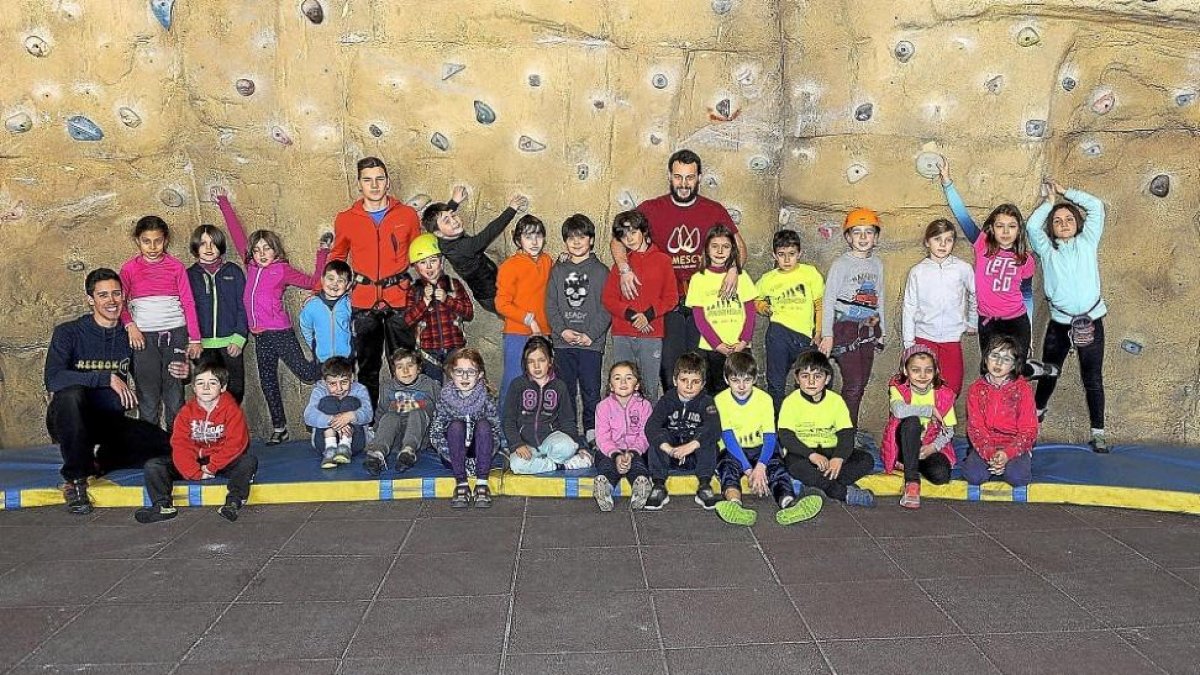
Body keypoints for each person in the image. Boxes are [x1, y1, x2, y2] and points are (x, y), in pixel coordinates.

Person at [611, 149, 747, 390]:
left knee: (702, 363)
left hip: (703, 302)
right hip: (668, 302)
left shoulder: (713, 210)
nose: (684, 184)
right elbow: (617, 238)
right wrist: (624, 269)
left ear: (699, 178)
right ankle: (673, 416)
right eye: (678, 177)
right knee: (669, 365)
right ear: (669, 176)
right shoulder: (651, 209)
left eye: (690, 177)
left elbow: (739, 246)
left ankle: (701, 419)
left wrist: (734, 268)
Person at [45, 269, 174, 514]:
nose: (111, 300)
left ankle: (100, 460)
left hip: (108, 422)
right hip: (70, 419)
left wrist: (178, 369)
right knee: (71, 395)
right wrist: (105, 378)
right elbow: (53, 378)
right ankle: (75, 480)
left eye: (116, 294)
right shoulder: (68, 332)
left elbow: (148, 377)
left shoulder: (130, 336)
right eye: (103, 295)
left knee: (165, 445)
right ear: (90, 299)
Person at [214, 187, 327, 444]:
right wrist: (223, 202)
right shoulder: (250, 267)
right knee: (267, 381)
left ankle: (326, 355)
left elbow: (313, 281)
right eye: (257, 249)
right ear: (251, 253)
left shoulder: (282, 270)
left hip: (279, 332)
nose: (262, 253)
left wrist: (322, 253)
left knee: (308, 374)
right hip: (260, 337)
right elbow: (236, 232)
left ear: (276, 252)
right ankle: (280, 427)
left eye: (267, 249)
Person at [329, 157, 421, 407]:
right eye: (368, 180)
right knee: (368, 366)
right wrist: (323, 289)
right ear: (359, 184)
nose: (375, 185)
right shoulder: (346, 218)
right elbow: (337, 256)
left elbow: (419, 253)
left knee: (404, 362)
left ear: (388, 182)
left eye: (380, 179)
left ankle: (409, 416)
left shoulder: (408, 215)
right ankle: (369, 421)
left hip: (399, 298)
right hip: (364, 300)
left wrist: (430, 284)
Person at [1026, 181, 1109, 452]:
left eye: (1069, 219)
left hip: (1091, 321)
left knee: (1092, 377)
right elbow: (1030, 227)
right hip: (1060, 324)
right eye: (1057, 221)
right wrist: (1049, 203)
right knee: (1050, 373)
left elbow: (1095, 206)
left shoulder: (1088, 241)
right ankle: (1033, 424)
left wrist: (1065, 192)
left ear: (1078, 223)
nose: (1063, 223)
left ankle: (1098, 432)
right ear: (1051, 227)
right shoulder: (1046, 249)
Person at [134, 362, 258, 523]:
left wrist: (212, 467)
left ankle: (233, 502)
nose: (206, 388)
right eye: (200, 383)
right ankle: (162, 506)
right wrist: (194, 472)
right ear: (193, 387)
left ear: (223, 387)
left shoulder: (232, 411)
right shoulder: (186, 413)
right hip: (194, 460)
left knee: (248, 462)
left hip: (221, 460)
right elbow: (180, 444)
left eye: (212, 383)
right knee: (154, 465)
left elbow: (235, 444)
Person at [712, 353, 823, 527]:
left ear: (755, 378)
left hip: (761, 448)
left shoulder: (764, 399)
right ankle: (735, 505)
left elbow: (770, 437)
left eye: (747, 380)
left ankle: (788, 503)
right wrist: (749, 470)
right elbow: (728, 437)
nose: (741, 386)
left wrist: (761, 466)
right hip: (733, 450)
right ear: (726, 380)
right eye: (735, 380)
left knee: (777, 469)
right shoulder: (720, 400)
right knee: (728, 470)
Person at [119, 216, 202, 430]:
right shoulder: (129, 269)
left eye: (158, 241)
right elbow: (120, 303)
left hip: (176, 334)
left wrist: (194, 339)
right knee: (147, 393)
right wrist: (130, 326)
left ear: (165, 240)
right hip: (143, 338)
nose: (153, 247)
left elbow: (188, 302)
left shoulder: (176, 267)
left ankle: (178, 444)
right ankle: (151, 446)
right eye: (147, 241)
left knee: (174, 392)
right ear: (138, 241)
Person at [778, 351, 876, 507]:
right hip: (804, 454)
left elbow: (846, 435)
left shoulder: (835, 401)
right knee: (794, 466)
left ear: (827, 379)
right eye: (805, 376)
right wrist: (811, 455)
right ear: (797, 378)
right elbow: (786, 437)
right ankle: (841, 492)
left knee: (867, 460)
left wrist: (838, 458)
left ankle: (817, 485)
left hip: (831, 452)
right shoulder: (791, 402)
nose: (811, 381)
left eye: (817, 376)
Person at [546, 214, 611, 449]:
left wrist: (591, 335)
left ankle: (593, 431)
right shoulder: (558, 271)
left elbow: (607, 307)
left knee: (590, 389)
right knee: (565, 388)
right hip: (563, 343)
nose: (576, 242)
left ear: (591, 240)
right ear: (565, 241)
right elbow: (551, 305)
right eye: (571, 237)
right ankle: (568, 429)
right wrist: (561, 331)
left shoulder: (602, 271)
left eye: (582, 237)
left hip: (590, 344)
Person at [820, 207, 887, 426]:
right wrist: (827, 335)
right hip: (845, 327)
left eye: (868, 232)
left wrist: (882, 330)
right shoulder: (841, 264)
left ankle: (848, 429)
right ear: (848, 237)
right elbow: (829, 298)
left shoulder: (877, 264)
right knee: (854, 384)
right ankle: (845, 433)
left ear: (876, 237)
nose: (863, 237)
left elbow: (880, 297)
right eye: (857, 232)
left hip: (868, 326)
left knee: (861, 383)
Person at [601, 210, 678, 401]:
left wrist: (649, 315)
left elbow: (671, 297)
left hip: (651, 334)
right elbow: (608, 299)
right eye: (624, 236)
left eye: (633, 232)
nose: (629, 239)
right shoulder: (620, 266)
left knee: (649, 386)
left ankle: (646, 430)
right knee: (622, 386)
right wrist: (633, 316)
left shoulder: (663, 261)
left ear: (643, 231)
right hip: (623, 333)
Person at [901, 218, 977, 396]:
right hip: (923, 338)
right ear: (927, 242)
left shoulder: (962, 268)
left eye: (948, 240)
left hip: (951, 338)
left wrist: (972, 321)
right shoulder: (917, 272)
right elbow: (909, 307)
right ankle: (925, 423)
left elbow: (975, 294)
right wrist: (909, 343)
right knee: (921, 386)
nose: (942, 245)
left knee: (952, 386)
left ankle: (945, 423)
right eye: (937, 239)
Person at [423, 187, 528, 316]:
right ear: (438, 233)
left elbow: (442, 218)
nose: (454, 221)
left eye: (453, 215)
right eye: (447, 221)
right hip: (492, 297)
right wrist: (512, 209)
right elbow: (488, 234)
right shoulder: (462, 248)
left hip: (492, 287)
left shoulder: (443, 238)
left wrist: (454, 202)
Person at [881, 345, 958, 509]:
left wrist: (933, 447)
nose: (922, 376)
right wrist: (929, 410)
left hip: (928, 446)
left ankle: (911, 464)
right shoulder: (898, 388)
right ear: (906, 371)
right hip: (905, 443)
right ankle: (912, 482)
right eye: (916, 370)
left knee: (941, 475)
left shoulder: (944, 394)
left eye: (928, 370)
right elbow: (899, 411)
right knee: (912, 421)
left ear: (936, 371)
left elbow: (949, 429)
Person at [756, 228, 824, 413]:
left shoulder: (810, 273)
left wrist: (818, 332)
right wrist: (763, 307)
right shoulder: (768, 279)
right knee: (776, 383)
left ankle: (807, 422)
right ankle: (777, 428)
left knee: (812, 381)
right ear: (774, 255)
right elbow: (755, 299)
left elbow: (820, 304)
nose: (787, 260)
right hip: (779, 332)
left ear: (799, 253)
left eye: (792, 254)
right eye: (781, 255)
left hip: (805, 336)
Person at [644, 352, 721, 511]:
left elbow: (714, 427)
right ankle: (658, 486)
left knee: (709, 439)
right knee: (659, 438)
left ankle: (705, 485)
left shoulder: (706, 402)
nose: (689, 386)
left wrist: (692, 445)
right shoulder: (666, 400)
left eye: (695, 382)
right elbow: (651, 426)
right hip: (671, 455)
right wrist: (668, 448)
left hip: (695, 456)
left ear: (703, 383)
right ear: (674, 380)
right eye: (684, 380)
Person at [685, 225, 757, 393]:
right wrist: (717, 344)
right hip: (712, 348)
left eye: (725, 247)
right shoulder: (698, 278)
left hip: (740, 345)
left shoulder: (741, 276)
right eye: (715, 246)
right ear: (707, 249)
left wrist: (744, 341)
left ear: (732, 250)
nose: (720, 251)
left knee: (742, 390)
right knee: (714, 394)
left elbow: (750, 311)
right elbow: (699, 316)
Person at [502, 336, 590, 474]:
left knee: (568, 447)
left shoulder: (559, 386)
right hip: (526, 444)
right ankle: (560, 465)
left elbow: (567, 421)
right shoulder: (517, 385)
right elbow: (508, 420)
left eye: (541, 360)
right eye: (531, 362)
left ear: (550, 362)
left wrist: (578, 447)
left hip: (551, 439)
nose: (537, 366)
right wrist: (517, 444)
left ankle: (547, 462)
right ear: (525, 364)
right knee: (517, 465)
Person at [429, 347, 502, 507]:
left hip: (480, 455)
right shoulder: (445, 398)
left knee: (484, 425)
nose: (465, 376)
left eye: (470, 371)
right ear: (451, 374)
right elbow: (435, 433)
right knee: (455, 426)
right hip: (453, 456)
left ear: (480, 375)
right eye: (459, 371)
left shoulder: (487, 399)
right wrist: (452, 457)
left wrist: (483, 458)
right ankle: (461, 483)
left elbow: (496, 432)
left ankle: (482, 483)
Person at [963, 335, 1038, 487]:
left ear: (1013, 365)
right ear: (985, 359)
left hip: (1014, 443)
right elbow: (975, 427)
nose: (998, 362)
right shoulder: (975, 390)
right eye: (994, 355)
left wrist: (1007, 454)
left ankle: (1018, 458)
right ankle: (992, 463)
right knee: (974, 476)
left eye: (1006, 359)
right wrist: (990, 454)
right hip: (985, 443)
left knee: (1018, 478)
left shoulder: (1023, 389)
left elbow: (1029, 429)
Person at [186, 224, 248, 403]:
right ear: (196, 247)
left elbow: (243, 306)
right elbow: (186, 309)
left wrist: (239, 338)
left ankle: (230, 427)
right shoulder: (189, 275)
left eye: (213, 243)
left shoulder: (233, 272)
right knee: (207, 391)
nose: (208, 248)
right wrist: (192, 340)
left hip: (230, 344)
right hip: (202, 346)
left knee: (235, 389)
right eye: (203, 243)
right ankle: (211, 428)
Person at [495, 215, 553, 405]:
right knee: (513, 382)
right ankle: (502, 433)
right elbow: (501, 303)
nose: (534, 241)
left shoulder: (547, 261)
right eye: (528, 236)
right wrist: (529, 320)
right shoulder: (509, 266)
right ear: (519, 239)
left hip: (544, 333)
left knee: (542, 384)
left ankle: (535, 430)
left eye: (538, 235)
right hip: (518, 333)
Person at [402, 233, 473, 381]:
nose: (428, 267)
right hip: (429, 352)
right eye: (422, 262)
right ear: (415, 267)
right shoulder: (414, 290)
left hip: (455, 347)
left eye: (433, 260)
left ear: (441, 262)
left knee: (457, 388)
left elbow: (468, 313)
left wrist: (448, 300)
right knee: (433, 390)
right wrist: (424, 302)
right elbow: (408, 321)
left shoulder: (453, 284)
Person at [364, 349, 440, 476]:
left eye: (410, 366)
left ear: (419, 368)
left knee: (417, 412)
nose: (406, 371)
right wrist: (376, 434)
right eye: (400, 367)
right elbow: (381, 412)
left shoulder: (430, 385)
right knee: (389, 416)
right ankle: (378, 453)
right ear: (394, 371)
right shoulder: (387, 387)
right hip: (394, 438)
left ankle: (408, 452)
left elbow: (439, 411)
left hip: (419, 438)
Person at [592, 362, 654, 512]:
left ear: (637, 384)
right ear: (611, 386)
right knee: (606, 464)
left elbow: (645, 435)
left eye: (629, 378)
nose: (623, 382)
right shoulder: (603, 407)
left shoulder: (645, 406)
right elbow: (602, 437)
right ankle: (604, 488)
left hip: (636, 450)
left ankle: (640, 488)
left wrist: (632, 453)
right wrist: (616, 455)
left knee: (638, 464)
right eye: (618, 378)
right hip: (610, 450)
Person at [303, 357, 373, 469]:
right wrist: (334, 421)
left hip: (354, 442)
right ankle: (330, 450)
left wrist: (350, 416)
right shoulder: (319, 390)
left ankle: (345, 445)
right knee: (327, 401)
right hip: (324, 443)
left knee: (351, 401)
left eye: (344, 382)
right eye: (332, 384)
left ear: (352, 378)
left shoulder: (360, 389)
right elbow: (308, 415)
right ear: (325, 382)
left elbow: (368, 413)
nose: (339, 389)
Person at [298, 259, 353, 363]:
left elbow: (354, 328)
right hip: (322, 359)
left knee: (344, 379)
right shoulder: (312, 306)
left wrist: (352, 348)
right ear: (322, 280)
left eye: (340, 281)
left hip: (346, 359)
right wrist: (314, 346)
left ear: (348, 285)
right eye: (330, 279)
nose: (334, 284)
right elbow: (305, 326)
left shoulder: (349, 305)